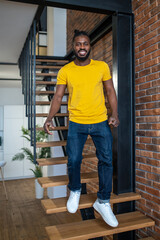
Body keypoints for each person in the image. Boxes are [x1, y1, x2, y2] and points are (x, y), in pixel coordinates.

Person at [44, 30, 120, 227]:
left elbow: (110, 90)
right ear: (73, 47)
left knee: (106, 160)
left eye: (85, 43)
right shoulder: (66, 71)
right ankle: (75, 190)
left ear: (89, 46)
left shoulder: (101, 67)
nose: (82, 47)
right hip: (77, 122)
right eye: (78, 44)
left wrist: (115, 114)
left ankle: (103, 201)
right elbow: (58, 97)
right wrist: (49, 118)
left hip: (100, 120)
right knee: (75, 159)